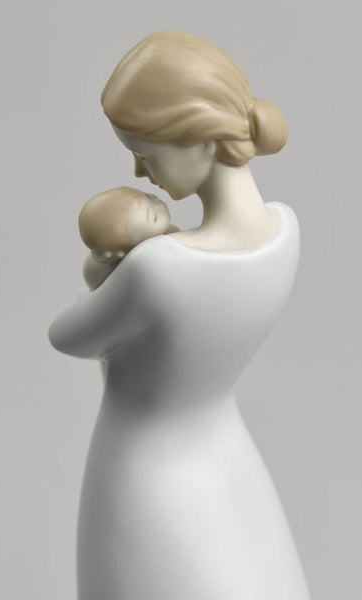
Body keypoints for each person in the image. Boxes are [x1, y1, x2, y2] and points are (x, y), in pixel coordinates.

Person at [49, 31, 311, 600]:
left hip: (146, 473)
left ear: (200, 141)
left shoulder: (160, 267)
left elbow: (67, 336)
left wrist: (101, 271)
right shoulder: (287, 231)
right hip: (232, 456)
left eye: (146, 154)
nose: (139, 172)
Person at [79, 186, 179, 290]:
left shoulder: (154, 235)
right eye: (155, 217)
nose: (161, 204)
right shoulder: (132, 265)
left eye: (148, 196)